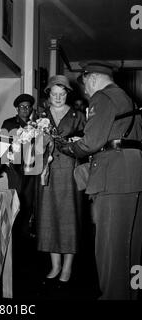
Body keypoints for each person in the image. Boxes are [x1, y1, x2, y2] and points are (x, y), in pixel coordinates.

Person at [58, 61, 142, 300]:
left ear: (92, 79)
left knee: (110, 247)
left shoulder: (103, 98)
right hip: (134, 175)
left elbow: (90, 143)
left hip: (113, 178)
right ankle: (130, 295)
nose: (86, 91)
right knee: (132, 246)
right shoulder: (128, 99)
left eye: (85, 86)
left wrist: (64, 146)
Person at [35, 75, 86, 288]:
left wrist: (79, 141)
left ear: (68, 93)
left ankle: (67, 267)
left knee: (69, 217)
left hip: (70, 171)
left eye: (62, 93)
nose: (58, 97)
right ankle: (55, 265)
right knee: (49, 217)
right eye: (54, 93)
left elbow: (88, 142)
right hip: (47, 171)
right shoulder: (40, 115)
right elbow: (33, 147)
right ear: (48, 94)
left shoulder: (79, 115)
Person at [1, 93, 37, 241]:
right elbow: (2, 143)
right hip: (14, 166)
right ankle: (12, 231)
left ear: (31, 110)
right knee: (15, 197)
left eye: (27, 107)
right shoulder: (8, 123)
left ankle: (24, 232)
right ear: (17, 108)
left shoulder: (35, 125)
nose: (25, 109)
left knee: (28, 199)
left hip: (31, 165)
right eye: (22, 107)